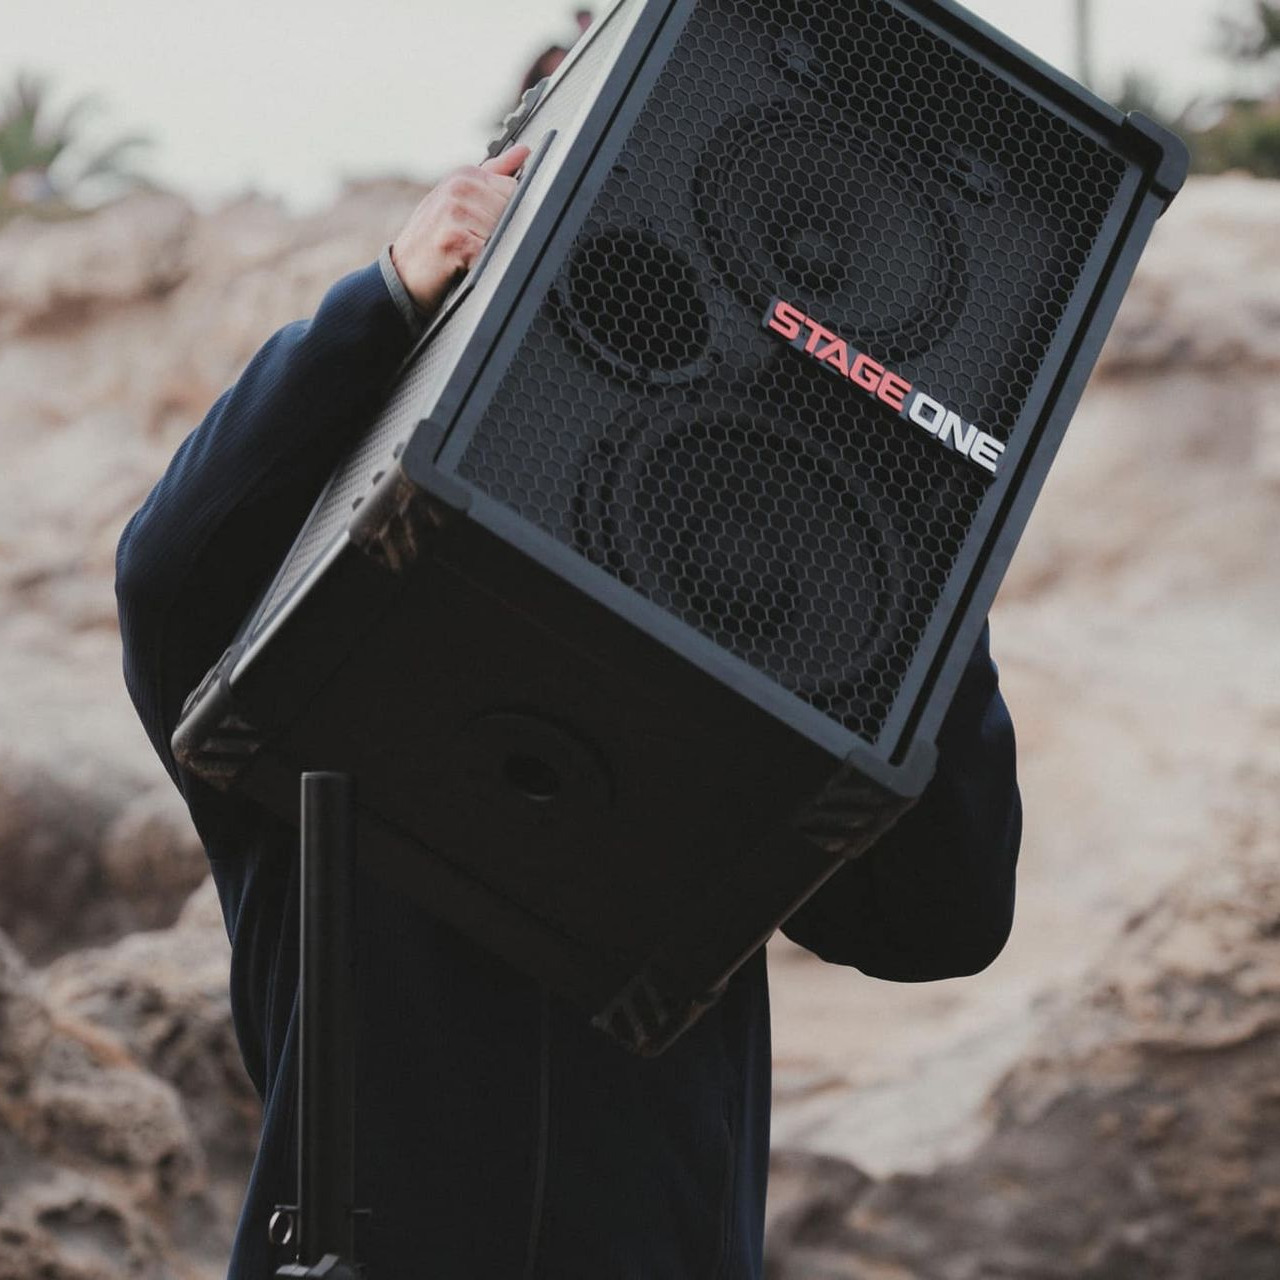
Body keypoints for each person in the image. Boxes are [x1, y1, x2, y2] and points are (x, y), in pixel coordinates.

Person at [114, 134, 1021, 1279]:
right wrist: (386, 300)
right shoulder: (303, 686)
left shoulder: (730, 668)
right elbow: (168, 575)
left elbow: (939, 917)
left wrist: (928, 565)